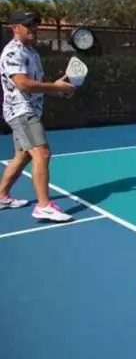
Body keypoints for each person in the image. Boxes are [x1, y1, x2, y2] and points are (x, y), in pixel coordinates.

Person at [0, 11, 75, 220]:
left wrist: (60, 88)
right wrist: (56, 87)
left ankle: (1, 196)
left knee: (23, 155)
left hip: (28, 109)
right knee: (42, 153)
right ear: (14, 28)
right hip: (21, 111)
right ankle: (43, 206)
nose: (34, 28)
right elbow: (23, 83)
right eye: (28, 25)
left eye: (35, 24)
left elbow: (38, 86)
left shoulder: (31, 52)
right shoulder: (13, 52)